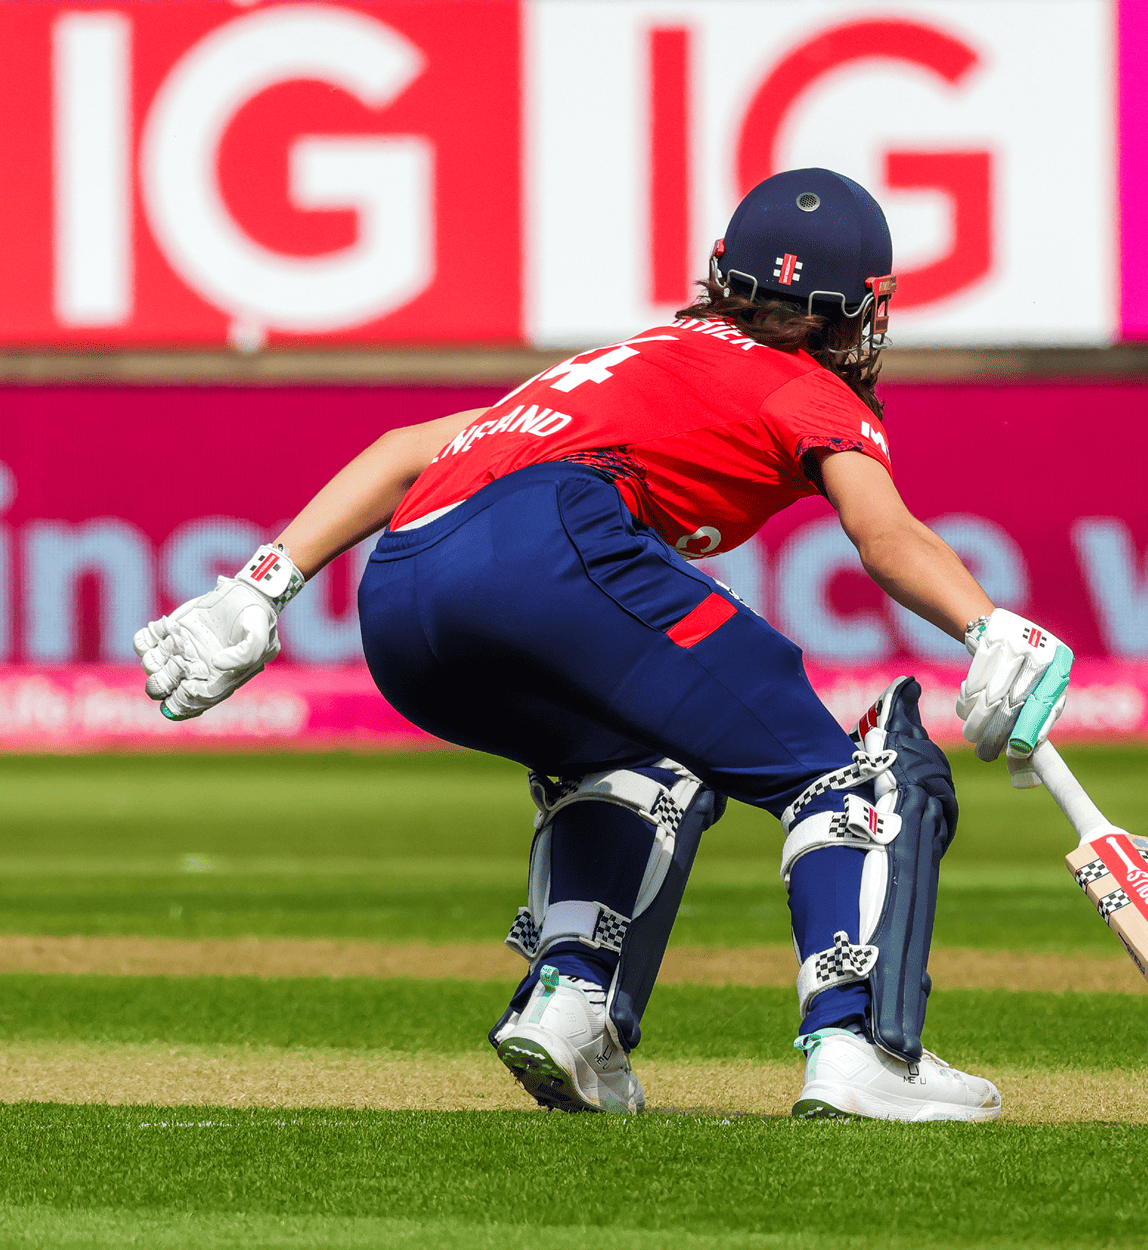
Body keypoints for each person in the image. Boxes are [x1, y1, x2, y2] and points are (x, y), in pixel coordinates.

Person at [134, 168, 1072, 1122]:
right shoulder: (810, 390)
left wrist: (261, 585)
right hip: (548, 547)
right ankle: (859, 1046)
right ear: (855, 313)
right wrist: (986, 623)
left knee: (644, 758)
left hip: (401, 595)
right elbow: (885, 535)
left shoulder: (636, 355)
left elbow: (404, 449)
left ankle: (571, 1001)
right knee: (855, 779)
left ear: (724, 275)